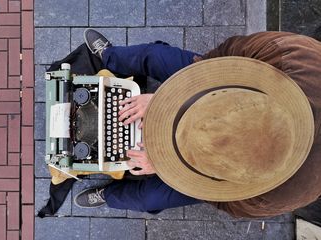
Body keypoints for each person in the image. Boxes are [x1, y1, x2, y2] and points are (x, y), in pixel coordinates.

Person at [74, 29, 321, 218]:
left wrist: (166, 164)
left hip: (209, 168)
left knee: (149, 200)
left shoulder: (288, 192)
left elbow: (222, 199)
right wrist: (167, 98)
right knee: (154, 56)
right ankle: (110, 56)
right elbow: (224, 57)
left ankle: (108, 195)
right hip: (216, 85)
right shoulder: (294, 57)